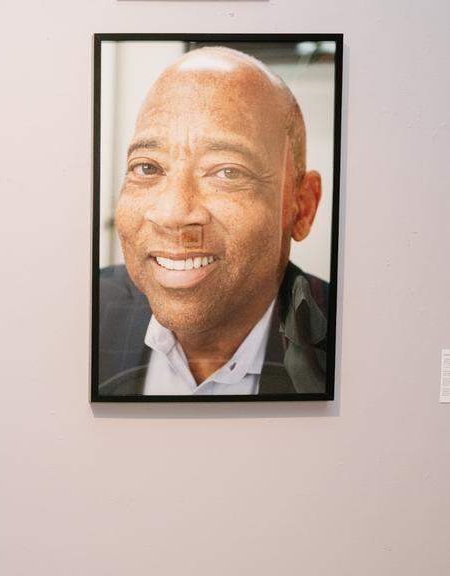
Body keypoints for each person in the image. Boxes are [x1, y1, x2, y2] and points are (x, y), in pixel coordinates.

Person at [97, 46, 329, 396]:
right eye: (148, 167)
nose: (174, 215)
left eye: (228, 172)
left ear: (302, 206)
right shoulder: (87, 312)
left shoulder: (349, 339)